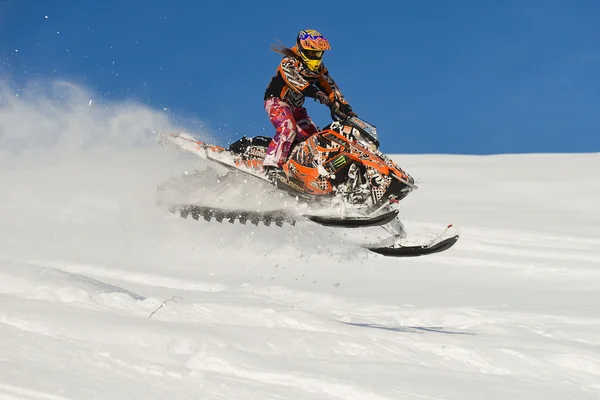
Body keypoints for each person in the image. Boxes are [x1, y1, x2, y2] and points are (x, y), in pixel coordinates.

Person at [262, 29, 356, 182]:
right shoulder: (289, 62)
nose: (315, 58)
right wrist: (316, 93)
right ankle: (271, 166)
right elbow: (295, 81)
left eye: (318, 54)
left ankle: (304, 173)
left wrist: (346, 109)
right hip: (277, 102)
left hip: (296, 108)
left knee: (313, 138)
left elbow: (332, 88)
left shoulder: (319, 69)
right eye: (312, 53)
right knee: (288, 127)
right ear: (302, 49)